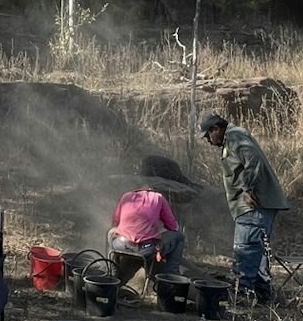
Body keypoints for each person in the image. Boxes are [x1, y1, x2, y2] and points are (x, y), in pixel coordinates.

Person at [199, 111, 289, 304]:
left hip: (253, 207)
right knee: (259, 250)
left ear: (216, 128)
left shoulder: (234, 135)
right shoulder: (231, 138)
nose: (207, 140)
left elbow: (253, 159)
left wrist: (248, 188)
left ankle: (241, 295)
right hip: (258, 206)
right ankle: (263, 295)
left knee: (245, 248)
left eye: (208, 135)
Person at [108, 185, 185, 279]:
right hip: (146, 249)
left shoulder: (126, 196)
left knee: (110, 233)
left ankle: (113, 273)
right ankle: (171, 275)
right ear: (151, 190)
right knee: (179, 237)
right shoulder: (158, 197)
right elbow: (172, 226)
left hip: (121, 246)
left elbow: (115, 222)